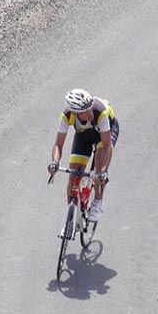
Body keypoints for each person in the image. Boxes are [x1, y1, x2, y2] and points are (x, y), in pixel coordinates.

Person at [47, 88, 119, 223]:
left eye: (90, 107)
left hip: (104, 133)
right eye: (86, 111)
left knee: (98, 168)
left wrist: (103, 171)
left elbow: (106, 146)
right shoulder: (67, 116)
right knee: (73, 175)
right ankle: (70, 220)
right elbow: (58, 144)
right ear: (76, 113)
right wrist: (54, 162)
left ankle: (97, 201)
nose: (90, 112)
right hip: (84, 134)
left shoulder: (100, 112)